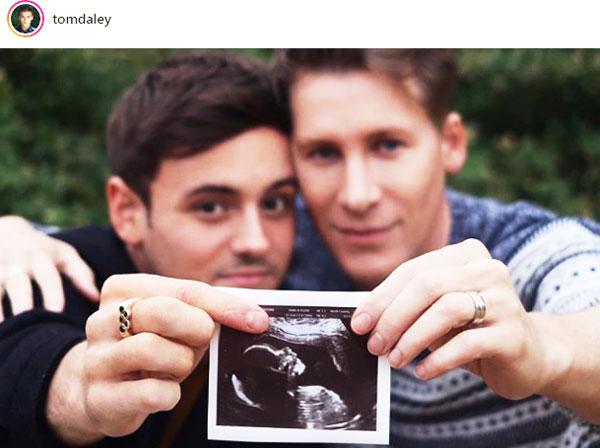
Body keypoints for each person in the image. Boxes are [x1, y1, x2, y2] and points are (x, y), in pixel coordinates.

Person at [3, 49, 600, 447]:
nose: (357, 195)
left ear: (449, 143)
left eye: (388, 144)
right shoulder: (289, 244)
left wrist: (546, 349)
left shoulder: (537, 253)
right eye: (322, 154)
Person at [0, 51, 301, 446]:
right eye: (210, 207)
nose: (256, 241)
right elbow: (23, 351)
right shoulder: (42, 272)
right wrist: (81, 392)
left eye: (275, 202)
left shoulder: (315, 273)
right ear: (127, 211)